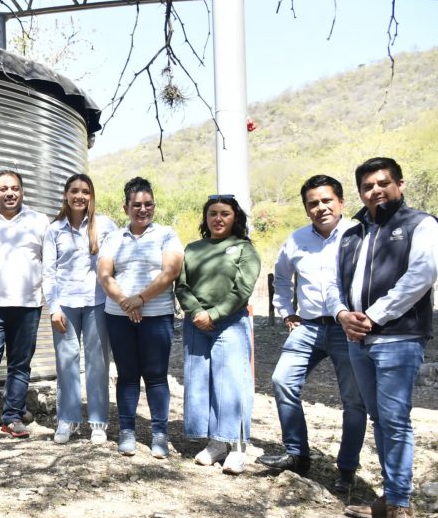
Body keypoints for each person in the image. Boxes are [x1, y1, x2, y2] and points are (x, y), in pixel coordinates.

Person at [333, 157, 437, 518]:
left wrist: (373, 316)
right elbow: (334, 283)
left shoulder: (420, 225)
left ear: (400, 184)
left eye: (382, 183)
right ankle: (388, 497)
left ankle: (398, 507)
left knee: (395, 421)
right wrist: (343, 314)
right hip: (357, 339)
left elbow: (422, 275)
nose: (375, 191)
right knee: (379, 418)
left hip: (398, 338)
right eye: (367, 186)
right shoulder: (353, 233)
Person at [258, 175, 366, 491]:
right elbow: (280, 278)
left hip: (347, 330)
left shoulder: (358, 235)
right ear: (307, 209)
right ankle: (297, 454)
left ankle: (346, 469)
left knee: (354, 399)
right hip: (308, 327)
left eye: (326, 201)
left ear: (341, 202)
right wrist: (285, 311)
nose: (320, 208)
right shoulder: (296, 240)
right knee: (282, 380)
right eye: (313, 204)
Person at [97, 177, 183, 457]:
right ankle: (127, 431)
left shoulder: (167, 235)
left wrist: (141, 299)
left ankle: (159, 433)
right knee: (127, 375)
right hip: (119, 315)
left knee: (156, 376)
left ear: (154, 206)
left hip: (157, 316)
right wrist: (125, 301)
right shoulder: (113, 238)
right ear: (126, 208)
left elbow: (170, 272)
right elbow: (105, 274)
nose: (143, 210)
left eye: (148, 204)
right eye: (137, 205)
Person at [176, 195, 260, 473]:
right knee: (201, 381)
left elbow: (243, 288)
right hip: (196, 323)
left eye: (225, 213)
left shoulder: (243, 249)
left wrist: (214, 314)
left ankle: (236, 446)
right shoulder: (193, 248)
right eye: (213, 213)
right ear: (206, 218)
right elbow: (182, 286)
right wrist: (197, 312)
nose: (218, 218)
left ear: (234, 217)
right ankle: (215, 443)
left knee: (231, 382)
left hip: (231, 322)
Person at [0, 170, 50, 439]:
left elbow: (48, 263)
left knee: (20, 364)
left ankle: (12, 417)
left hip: (28, 305)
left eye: (14, 188)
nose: (10, 193)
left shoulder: (39, 221)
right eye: (4, 188)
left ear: (22, 191)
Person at [42, 173, 118, 445]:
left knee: (97, 363)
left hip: (97, 302)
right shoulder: (54, 230)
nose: (79, 196)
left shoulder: (106, 226)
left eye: (85, 191)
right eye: (74, 191)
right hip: (65, 306)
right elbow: (48, 272)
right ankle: (68, 419)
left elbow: (114, 264)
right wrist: (54, 307)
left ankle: (98, 422)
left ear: (91, 195)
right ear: (65, 195)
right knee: (66, 363)